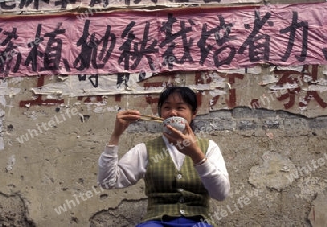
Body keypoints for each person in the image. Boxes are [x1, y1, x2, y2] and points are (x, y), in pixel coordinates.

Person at [98, 86, 230, 227]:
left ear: (194, 114)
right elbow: (108, 181)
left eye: (180, 108)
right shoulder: (145, 150)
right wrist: (116, 135)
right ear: (160, 114)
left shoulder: (209, 147)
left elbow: (221, 194)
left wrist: (197, 155)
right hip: (156, 222)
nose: (173, 113)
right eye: (167, 108)